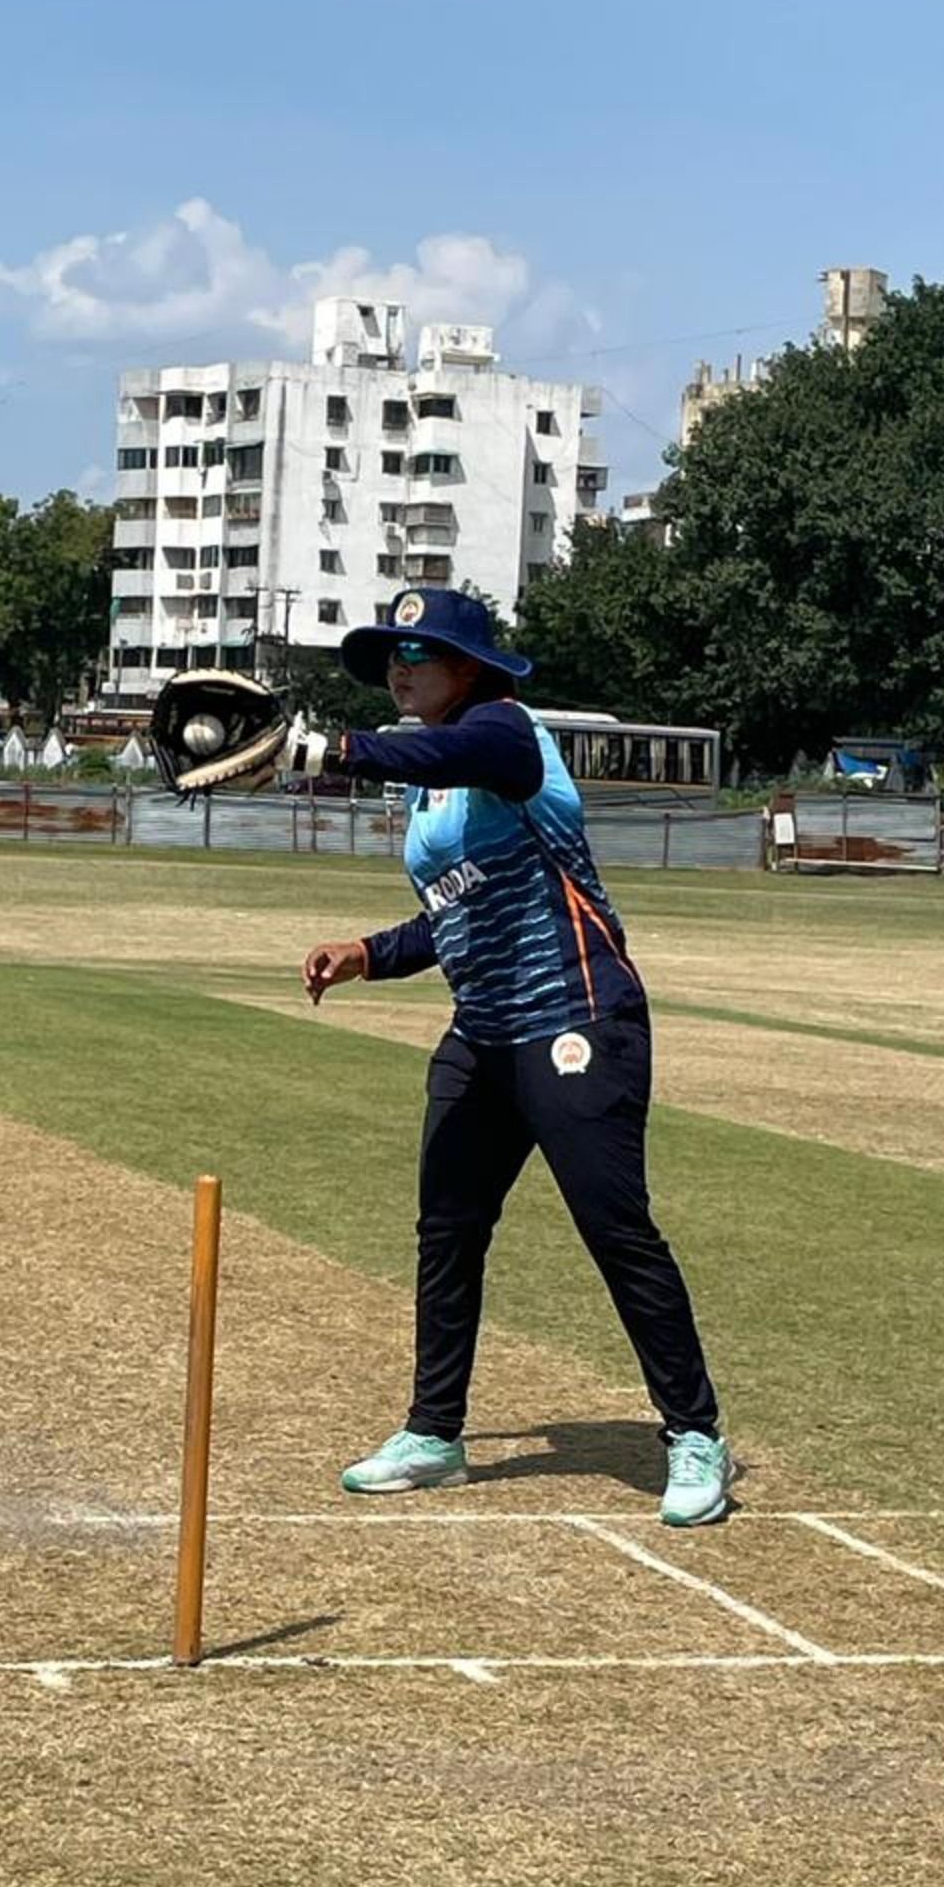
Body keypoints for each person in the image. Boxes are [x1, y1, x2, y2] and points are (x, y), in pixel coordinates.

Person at [298, 587, 730, 1525]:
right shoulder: (428, 779)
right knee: (447, 1231)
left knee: (616, 1230)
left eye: (419, 651)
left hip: (581, 1019)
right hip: (483, 1034)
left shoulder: (506, 733)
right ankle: (434, 1433)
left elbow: (474, 750)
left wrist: (338, 749)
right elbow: (455, 914)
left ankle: (694, 1434)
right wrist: (370, 953)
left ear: (471, 668)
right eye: (390, 655)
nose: (399, 668)